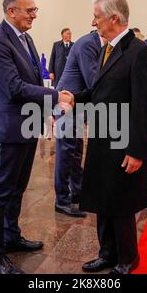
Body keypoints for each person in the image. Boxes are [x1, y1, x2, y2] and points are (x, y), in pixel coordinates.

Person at [0, 0, 73, 274]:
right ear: (11, 11)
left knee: (18, 188)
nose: (34, 15)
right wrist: (56, 96)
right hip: (10, 129)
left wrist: (46, 112)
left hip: (28, 125)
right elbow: (14, 87)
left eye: (35, 10)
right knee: (1, 192)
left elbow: (34, 77)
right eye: (29, 10)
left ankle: (11, 235)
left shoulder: (26, 37)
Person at [72, 0, 147, 274]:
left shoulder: (140, 52)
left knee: (120, 206)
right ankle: (107, 253)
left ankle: (127, 258)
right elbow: (99, 91)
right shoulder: (106, 48)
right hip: (102, 141)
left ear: (114, 18)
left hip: (123, 144)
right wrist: (75, 98)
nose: (93, 22)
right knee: (102, 200)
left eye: (97, 16)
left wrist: (137, 151)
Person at [54, 30, 104, 218]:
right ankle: (62, 200)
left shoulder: (94, 42)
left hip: (77, 103)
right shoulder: (87, 44)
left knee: (75, 150)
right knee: (65, 152)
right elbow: (93, 81)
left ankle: (77, 190)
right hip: (66, 103)